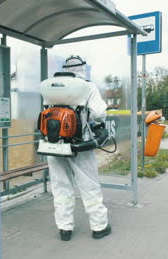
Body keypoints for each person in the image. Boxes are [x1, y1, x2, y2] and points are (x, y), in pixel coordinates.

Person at [48, 55, 111, 241]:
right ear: (83, 68)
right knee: (89, 186)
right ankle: (99, 226)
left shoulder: (52, 86)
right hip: (79, 144)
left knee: (60, 186)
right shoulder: (87, 86)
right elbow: (99, 113)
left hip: (53, 143)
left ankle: (64, 228)